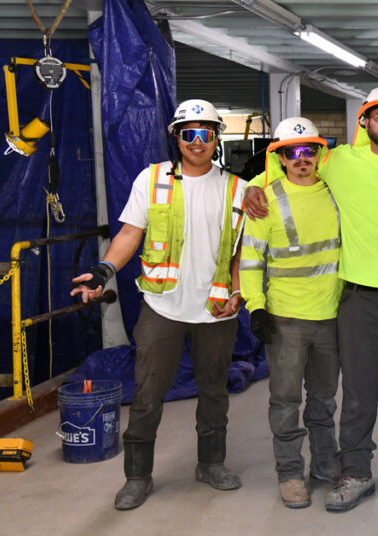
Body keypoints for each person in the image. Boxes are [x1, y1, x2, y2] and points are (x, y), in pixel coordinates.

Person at [244, 86, 378, 513]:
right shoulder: (339, 162)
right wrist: (251, 189)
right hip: (358, 301)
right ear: (365, 122)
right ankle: (356, 472)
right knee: (358, 392)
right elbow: (289, 170)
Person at [72, 99, 247, 510]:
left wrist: (239, 293)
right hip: (162, 307)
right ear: (177, 138)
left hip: (216, 309)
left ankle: (211, 463)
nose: (198, 141)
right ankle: (137, 476)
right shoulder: (151, 180)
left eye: (206, 133)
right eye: (190, 133)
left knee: (214, 390)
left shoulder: (238, 188)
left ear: (217, 139)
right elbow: (130, 233)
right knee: (149, 393)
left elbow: (240, 250)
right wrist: (102, 271)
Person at [239, 117, 342, 508]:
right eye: (292, 152)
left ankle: (325, 463)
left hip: (332, 315)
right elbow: (251, 261)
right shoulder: (265, 199)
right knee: (285, 401)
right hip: (286, 319)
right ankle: (290, 474)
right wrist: (256, 306)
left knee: (324, 399)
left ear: (320, 154)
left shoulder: (337, 193)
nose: (302, 158)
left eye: (309, 150)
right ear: (280, 158)